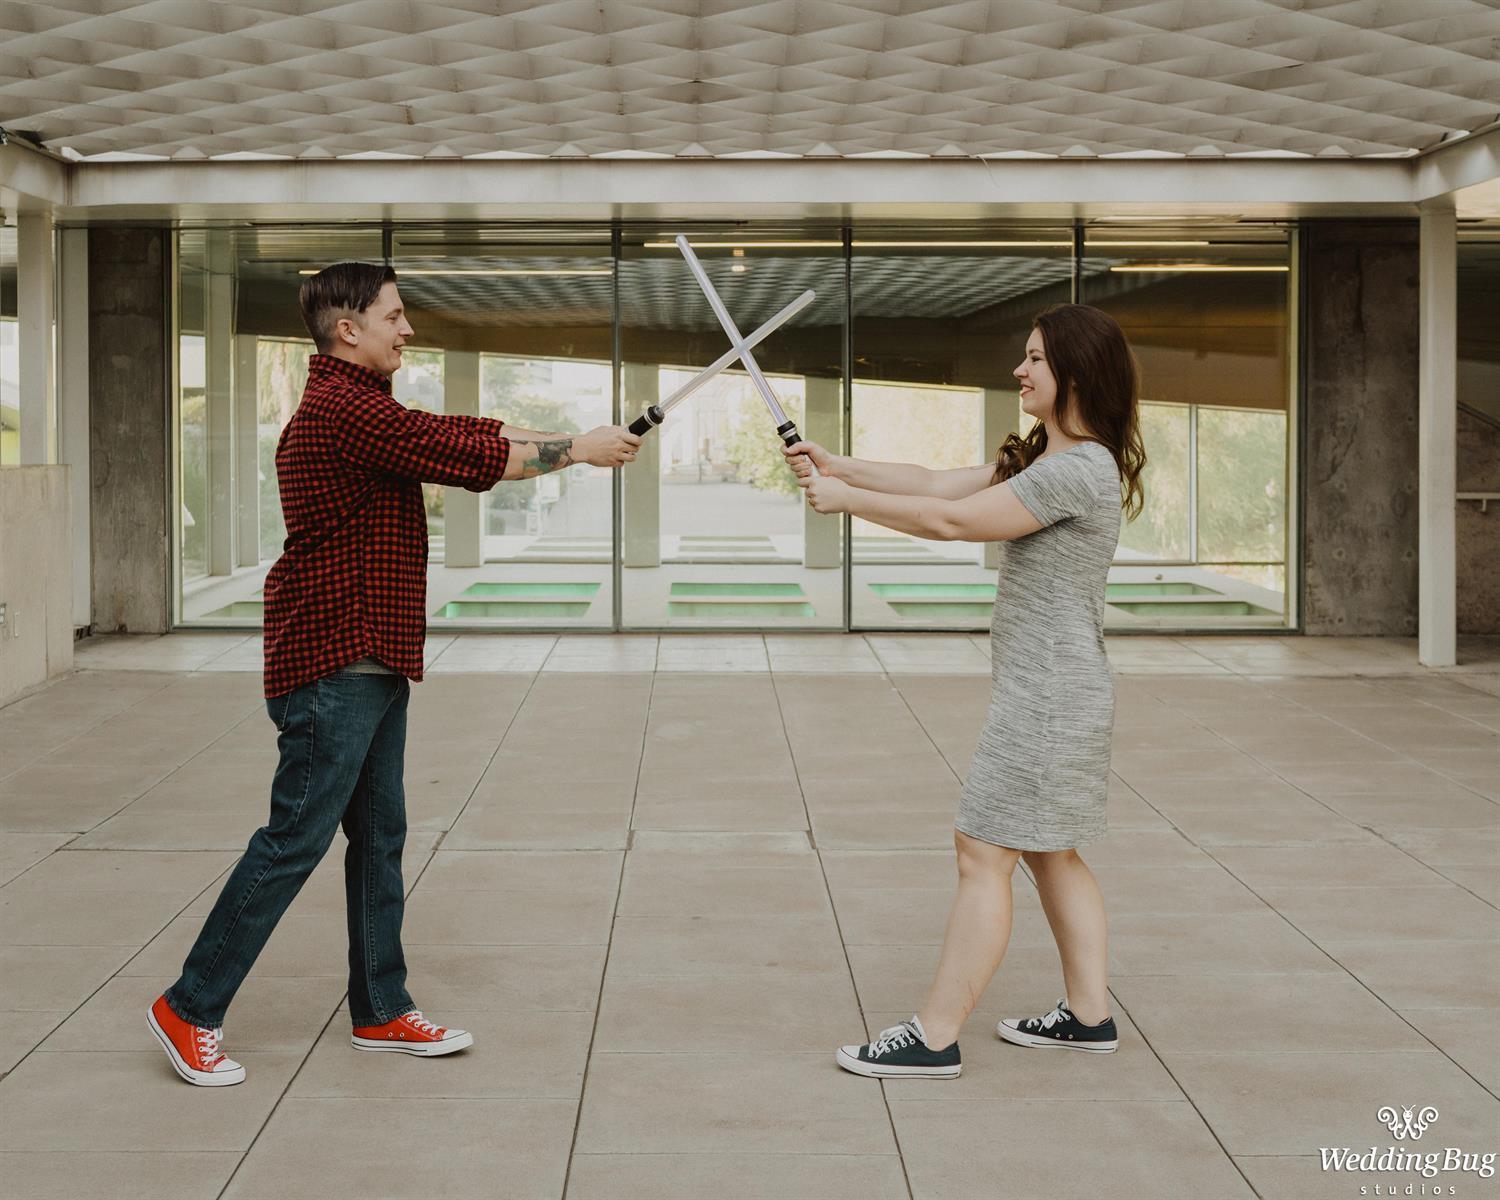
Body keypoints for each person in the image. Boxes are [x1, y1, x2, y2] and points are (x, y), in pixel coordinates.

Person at [148, 262, 641, 1086]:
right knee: (294, 839)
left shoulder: (365, 407)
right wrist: (577, 451)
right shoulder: (342, 412)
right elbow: (457, 453)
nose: (407, 330)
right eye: (396, 316)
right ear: (350, 329)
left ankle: (380, 1008)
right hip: (331, 661)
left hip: (369, 660)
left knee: (379, 839)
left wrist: (565, 441)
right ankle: (189, 1006)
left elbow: (458, 431)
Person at [783, 303, 1146, 1079]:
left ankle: (934, 1035)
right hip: (1060, 692)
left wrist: (847, 503)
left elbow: (954, 521)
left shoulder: (1077, 471)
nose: (1020, 370)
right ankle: (1088, 1019)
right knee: (1052, 853)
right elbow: (935, 482)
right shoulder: (1054, 459)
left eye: (1036, 359)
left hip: (1048, 703)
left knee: (983, 850)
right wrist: (840, 465)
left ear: (1077, 372)